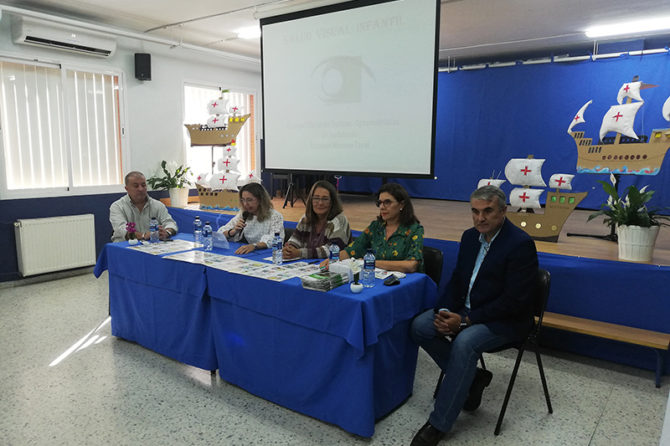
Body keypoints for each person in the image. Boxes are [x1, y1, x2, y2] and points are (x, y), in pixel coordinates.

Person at [409, 185, 538, 446]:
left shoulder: (521, 244)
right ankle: (474, 377)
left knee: (465, 343)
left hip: (506, 320)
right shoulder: (470, 237)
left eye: (488, 211)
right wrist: (445, 311)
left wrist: (466, 321)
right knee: (420, 326)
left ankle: (439, 423)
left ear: (503, 211)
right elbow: (457, 280)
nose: (480, 218)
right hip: (467, 311)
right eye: (475, 211)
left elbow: (515, 302)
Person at [339, 182, 424, 273]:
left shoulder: (415, 230)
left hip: (405, 282)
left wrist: (371, 262)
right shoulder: (375, 227)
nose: (382, 207)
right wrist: (332, 259)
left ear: (402, 204)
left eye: (387, 202)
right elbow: (352, 250)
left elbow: (411, 265)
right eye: (380, 203)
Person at [283, 180, 351, 259]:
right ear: (311, 200)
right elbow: (295, 239)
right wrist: (289, 249)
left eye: (325, 199)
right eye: (316, 198)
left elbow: (332, 250)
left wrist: (299, 253)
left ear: (332, 202)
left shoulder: (340, 220)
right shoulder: (305, 219)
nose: (320, 203)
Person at [110, 171, 178, 242]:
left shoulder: (158, 205)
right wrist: (143, 235)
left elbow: (170, 223)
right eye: (136, 186)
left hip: (151, 245)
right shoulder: (117, 206)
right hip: (125, 246)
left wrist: (166, 232)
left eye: (143, 185)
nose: (141, 189)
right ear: (127, 189)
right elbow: (121, 230)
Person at [219, 182, 284, 255]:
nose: (245, 204)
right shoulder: (244, 214)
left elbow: (276, 239)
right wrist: (233, 231)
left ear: (260, 200)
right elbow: (220, 233)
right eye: (243, 200)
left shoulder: (275, 216)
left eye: (249, 200)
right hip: (248, 253)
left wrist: (254, 246)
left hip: (265, 254)